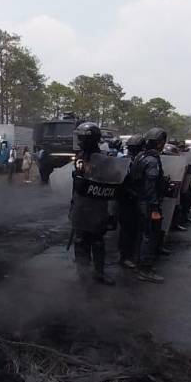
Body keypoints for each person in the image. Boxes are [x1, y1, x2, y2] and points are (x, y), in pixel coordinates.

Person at [69, 122, 119, 285]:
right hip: (81, 204)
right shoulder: (80, 157)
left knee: (97, 240)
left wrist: (111, 211)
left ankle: (99, 273)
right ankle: (82, 272)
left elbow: (112, 183)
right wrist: (73, 204)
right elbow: (76, 185)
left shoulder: (105, 159)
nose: (80, 141)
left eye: (82, 138)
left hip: (98, 205)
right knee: (80, 240)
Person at [131, 128, 167, 283]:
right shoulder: (152, 161)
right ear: (159, 143)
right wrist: (154, 207)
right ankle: (145, 269)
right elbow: (150, 185)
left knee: (141, 234)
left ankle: (138, 263)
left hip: (139, 200)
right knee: (149, 235)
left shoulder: (141, 156)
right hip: (148, 203)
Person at [118, 135, 145, 269]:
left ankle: (131, 254)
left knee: (133, 229)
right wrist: (131, 192)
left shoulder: (138, 161)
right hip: (127, 199)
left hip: (134, 198)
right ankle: (125, 256)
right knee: (127, 230)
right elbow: (120, 181)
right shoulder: (125, 162)